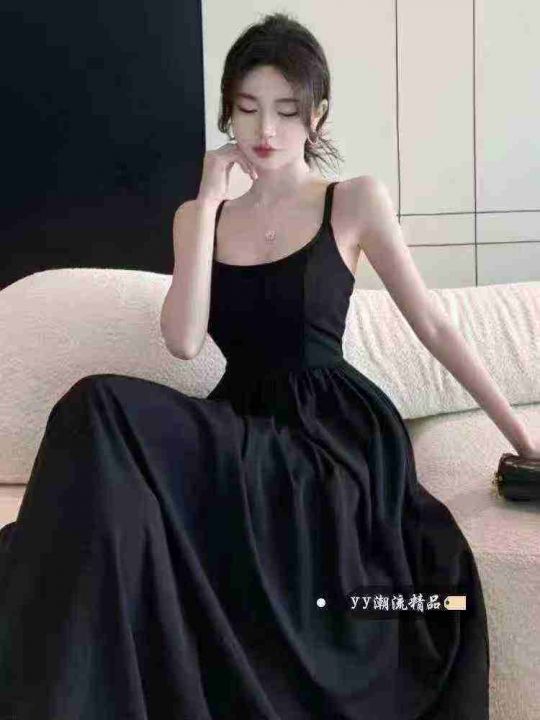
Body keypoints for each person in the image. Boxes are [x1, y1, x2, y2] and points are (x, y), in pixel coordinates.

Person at [1, 10, 538, 719]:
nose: (266, 129)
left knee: (98, 407)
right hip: (240, 425)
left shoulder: (353, 200)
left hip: (329, 439)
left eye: (287, 109)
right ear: (227, 112)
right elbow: (184, 341)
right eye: (248, 107)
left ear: (317, 115)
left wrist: (523, 439)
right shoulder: (199, 217)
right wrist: (206, 204)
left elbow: (435, 325)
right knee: (102, 460)